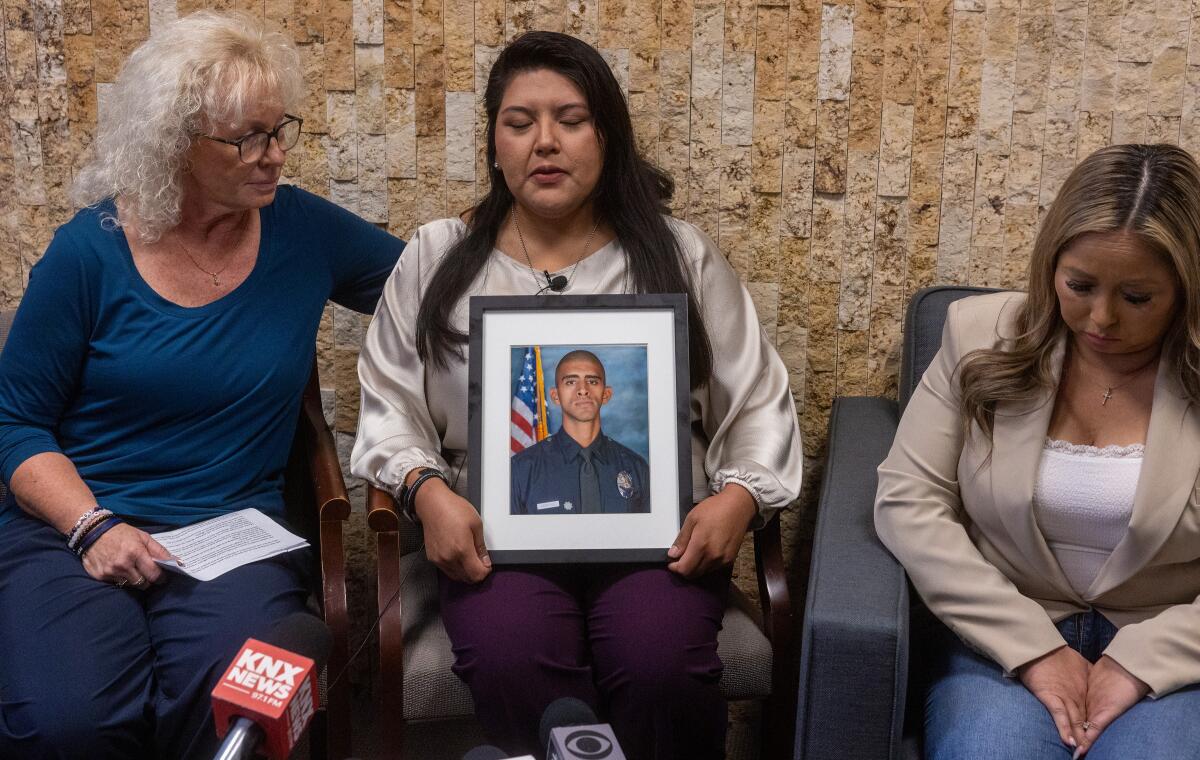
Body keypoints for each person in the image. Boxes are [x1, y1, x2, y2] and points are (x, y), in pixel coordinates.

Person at [351, 30, 801, 759]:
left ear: (608, 135)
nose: (545, 142)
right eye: (519, 122)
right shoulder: (435, 256)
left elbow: (754, 400)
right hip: (499, 540)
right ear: (495, 143)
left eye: (572, 118)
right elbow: (389, 403)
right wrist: (426, 491)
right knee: (509, 654)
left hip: (655, 542)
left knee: (660, 663)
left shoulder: (677, 254)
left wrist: (740, 497)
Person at [0, 12, 404, 759]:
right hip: (76, 531)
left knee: (235, 715)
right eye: (245, 137)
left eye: (280, 128)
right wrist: (91, 525)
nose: (274, 154)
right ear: (174, 143)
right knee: (69, 722)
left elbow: (434, 283)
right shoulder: (89, 253)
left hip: (231, 542)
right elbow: (14, 422)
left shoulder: (304, 230)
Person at [874, 143, 1200, 760]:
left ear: (1186, 289)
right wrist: (1033, 647)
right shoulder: (979, 334)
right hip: (1003, 632)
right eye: (1079, 285)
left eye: (1137, 298)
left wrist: (1141, 663)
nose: (1101, 318)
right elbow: (908, 500)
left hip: (1174, 647)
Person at [510, 350, 650, 515]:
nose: (583, 390)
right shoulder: (522, 469)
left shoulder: (636, 468)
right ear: (555, 396)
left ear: (606, 394)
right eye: (570, 382)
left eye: (592, 381)